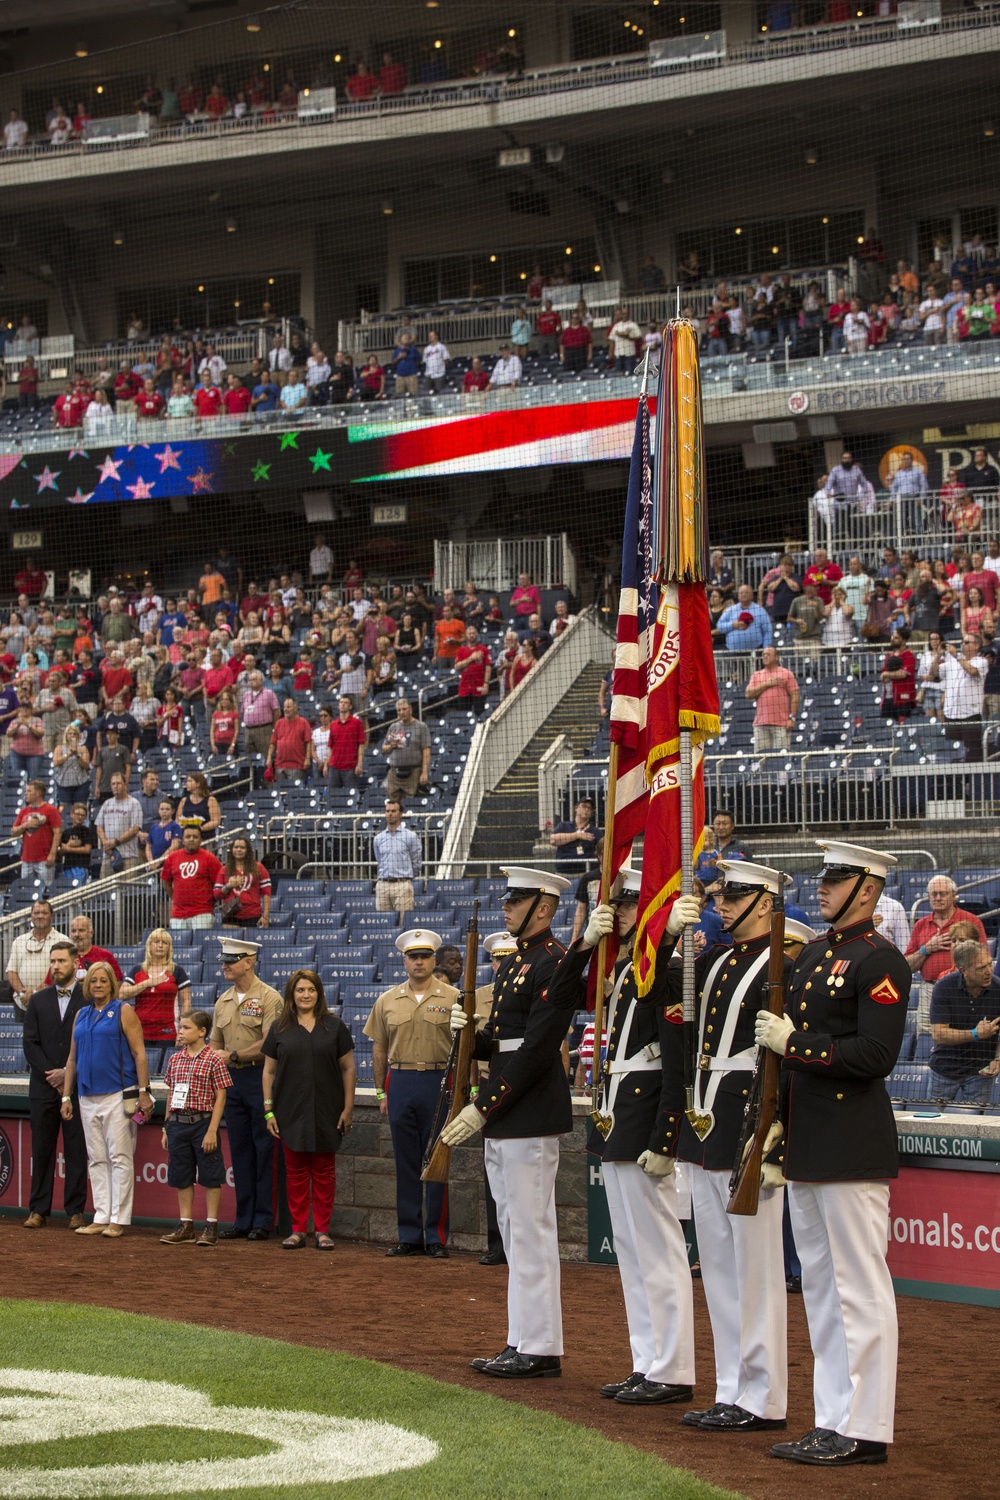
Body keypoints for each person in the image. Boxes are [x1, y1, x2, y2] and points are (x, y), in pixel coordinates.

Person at [758, 841, 911, 1467]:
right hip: (811, 1140)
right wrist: (778, 1125)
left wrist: (797, 1043)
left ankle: (867, 1427)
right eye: (822, 879)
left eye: (837, 880)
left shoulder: (882, 961)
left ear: (867, 890)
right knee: (820, 1287)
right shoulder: (816, 953)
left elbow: (876, 1058)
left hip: (851, 1139)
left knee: (860, 1287)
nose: (821, 888)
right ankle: (831, 1419)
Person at [547, 867, 697, 1405]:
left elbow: (677, 1065)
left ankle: (674, 1367)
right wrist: (585, 941)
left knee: (658, 1249)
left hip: (643, 1116)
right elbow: (559, 995)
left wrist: (666, 1137)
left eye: (631, 904)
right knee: (632, 1254)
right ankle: (647, 1360)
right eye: (617, 905)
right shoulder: (620, 968)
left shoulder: (667, 969)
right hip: (614, 1113)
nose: (622, 913)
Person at [658, 861, 789, 1433]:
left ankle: (763, 1397)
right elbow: (665, 1001)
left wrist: (776, 1128)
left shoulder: (785, 961)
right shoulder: (713, 959)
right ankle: (732, 1388)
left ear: (765, 901)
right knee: (717, 1268)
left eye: (733, 896)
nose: (720, 903)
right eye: (718, 895)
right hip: (705, 1121)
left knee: (755, 1270)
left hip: (746, 1124)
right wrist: (666, 940)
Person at [443, 866, 573, 1379]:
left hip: (528, 1108)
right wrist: (469, 1037)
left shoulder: (554, 962)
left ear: (543, 907)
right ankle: (522, 1337)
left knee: (531, 1229)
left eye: (516, 901)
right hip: (507, 1108)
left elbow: (539, 1049)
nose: (506, 907)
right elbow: (501, 1043)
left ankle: (540, 1346)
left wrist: (484, 1104)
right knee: (512, 1228)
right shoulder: (517, 961)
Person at [363, 929, 458, 1257]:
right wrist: (380, 1093)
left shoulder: (453, 997)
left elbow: (465, 1048)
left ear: (434, 960)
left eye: (425, 956)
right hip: (400, 1081)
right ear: (404, 961)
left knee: (436, 1160)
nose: (419, 962)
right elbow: (378, 1050)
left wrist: (462, 1092)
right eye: (413, 957)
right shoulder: (386, 1000)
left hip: (437, 1082)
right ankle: (409, 1235)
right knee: (405, 1163)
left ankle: (435, 1238)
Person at [262, 969, 356, 1251]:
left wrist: (348, 1108)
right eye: (300, 990)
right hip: (289, 1111)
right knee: (296, 1173)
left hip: (328, 1110)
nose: (306, 995)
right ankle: (298, 1230)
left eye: (311, 990)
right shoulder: (279, 1028)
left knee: (325, 1172)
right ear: (292, 993)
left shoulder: (334, 1026)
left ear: (319, 994)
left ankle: (323, 1231)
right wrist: (269, 1111)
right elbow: (268, 1072)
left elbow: (349, 1068)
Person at [60, 962, 153, 1239]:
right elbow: (71, 1060)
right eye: (92, 981)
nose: (97, 985)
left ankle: (118, 1219)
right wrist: (66, 1095)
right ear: (86, 986)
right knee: (97, 1159)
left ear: (111, 984)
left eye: (102, 981)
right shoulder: (81, 1014)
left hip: (117, 1093)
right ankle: (101, 1215)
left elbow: (140, 1054)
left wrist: (145, 1091)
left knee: (119, 1157)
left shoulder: (123, 1011)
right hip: (86, 1096)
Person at [210, 935, 282, 1240]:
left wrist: (234, 1055)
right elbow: (214, 1045)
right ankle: (243, 1220)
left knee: (264, 1150)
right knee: (239, 1151)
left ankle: (263, 1221)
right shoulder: (222, 1000)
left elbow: (268, 1044)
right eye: (225, 961)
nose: (226, 966)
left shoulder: (269, 997)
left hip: (259, 1077)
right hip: (231, 1081)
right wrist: (218, 1062)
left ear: (249, 962)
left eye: (232, 961)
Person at [21, 942, 89, 1230]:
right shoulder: (37, 1001)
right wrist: (54, 1073)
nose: (56, 966)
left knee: (76, 1149)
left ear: (75, 963)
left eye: (61, 960)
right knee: (42, 1149)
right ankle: (38, 1210)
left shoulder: (88, 1000)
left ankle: (75, 1211)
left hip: (76, 1088)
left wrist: (68, 1073)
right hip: (43, 1087)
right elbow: (29, 1044)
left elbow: (90, 1043)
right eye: (53, 961)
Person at [159, 1010, 233, 1247]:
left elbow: (220, 1096)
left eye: (187, 1027)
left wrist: (212, 1129)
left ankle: (211, 1225)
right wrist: (166, 1126)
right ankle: (186, 1224)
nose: (181, 1031)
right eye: (181, 1027)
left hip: (203, 1123)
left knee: (211, 1175)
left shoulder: (213, 1059)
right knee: (182, 1175)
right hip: (178, 1123)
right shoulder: (175, 1059)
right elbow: (171, 1093)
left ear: (202, 1032)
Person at [905, 875, 986, 1035]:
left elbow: (984, 957)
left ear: (954, 895)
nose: (938, 898)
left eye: (943, 894)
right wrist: (926, 949)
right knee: (927, 1037)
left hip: (962, 990)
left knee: (960, 1033)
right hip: (930, 989)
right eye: (933, 894)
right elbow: (906, 966)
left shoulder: (970, 920)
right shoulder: (921, 925)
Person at [926, 940, 1000, 1104]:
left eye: (990, 964)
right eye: (981, 968)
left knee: (976, 1124)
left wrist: (998, 1059)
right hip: (945, 1068)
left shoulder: (998, 989)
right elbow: (939, 1035)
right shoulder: (944, 987)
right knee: (935, 1122)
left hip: (980, 1072)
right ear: (963, 970)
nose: (988, 971)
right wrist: (975, 1034)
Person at [6, 900, 70, 1020]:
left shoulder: (63, 941)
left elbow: (65, 972)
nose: (40, 916)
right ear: (31, 916)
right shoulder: (19, 941)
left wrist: (35, 994)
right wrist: (23, 994)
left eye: (44, 913)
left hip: (52, 1003)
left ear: (52, 916)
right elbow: (11, 972)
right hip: (23, 1004)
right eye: (36, 913)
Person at [161, 826, 225, 930]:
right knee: (179, 946)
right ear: (182, 839)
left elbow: (219, 884)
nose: (191, 839)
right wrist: (177, 899)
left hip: (202, 914)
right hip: (178, 915)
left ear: (201, 840)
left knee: (201, 945)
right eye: (188, 836)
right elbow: (165, 882)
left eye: (195, 837)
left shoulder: (210, 858)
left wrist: (209, 902)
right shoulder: (172, 858)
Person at [745, 646, 799, 752]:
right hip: (761, 724)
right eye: (763, 654)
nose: (765, 656)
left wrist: (792, 718)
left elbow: (795, 695)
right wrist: (767, 684)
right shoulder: (757, 675)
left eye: (768, 654)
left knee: (780, 758)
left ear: (776, 657)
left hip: (781, 724)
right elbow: (748, 694)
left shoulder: (786, 673)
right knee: (761, 757)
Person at [373, 797, 422, 913]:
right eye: (387, 811)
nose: (390, 814)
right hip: (383, 885)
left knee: (403, 921)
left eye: (393, 811)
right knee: (383, 922)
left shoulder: (410, 837)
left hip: (402, 886)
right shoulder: (378, 839)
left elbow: (416, 862)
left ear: (401, 814)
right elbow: (379, 860)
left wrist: (406, 878)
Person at [13, 780, 62, 887]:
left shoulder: (51, 810)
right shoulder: (23, 811)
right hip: (26, 859)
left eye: (29, 791)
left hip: (44, 859)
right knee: (26, 890)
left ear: (38, 793)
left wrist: (52, 854)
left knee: (46, 889)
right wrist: (26, 825)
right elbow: (13, 832)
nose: (26, 794)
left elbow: (57, 833)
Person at [380, 698, 431, 800]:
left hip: (413, 772)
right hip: (394, 773)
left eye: (404, 709)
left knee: (410, 803)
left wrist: (424, 772)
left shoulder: (421, 726)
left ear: (411, 710)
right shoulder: (393, 727)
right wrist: (391, 746)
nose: (401, 712)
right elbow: (383, 748)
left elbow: (426, 750)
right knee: (392, 804)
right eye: (399, 710)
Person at [215, 834, 271, 928]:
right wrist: (228, 886)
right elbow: (216, 895)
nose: (239, 850)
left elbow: (267, 893)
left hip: (252, 916)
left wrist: (265, 916)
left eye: (242, 847)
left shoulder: (259, 868)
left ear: (247, 850)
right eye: (236, 847)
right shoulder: (224, 870)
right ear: (232, 850)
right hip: (231, 916)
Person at [94, 772, 143, 878]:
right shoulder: (107, 804)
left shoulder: (134, 803)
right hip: (108, 856)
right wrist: (106, 844)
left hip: (128, 857)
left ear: (125, 785)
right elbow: (99, 826)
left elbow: (135, 829)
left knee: (128, 891)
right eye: (113, 784)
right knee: (105, 890)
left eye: (119, 783)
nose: (116, 786)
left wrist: (116, 842)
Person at [548, 797, 602, 876]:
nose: (586, 810)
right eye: (584, 806)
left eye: (589, 808)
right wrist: (576, 835)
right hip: (563, 873)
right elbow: (553, 840)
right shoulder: (564, 826)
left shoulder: (595, 832)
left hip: (585, 874)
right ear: (576, 808)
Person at [175, 771, 221, 839]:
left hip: (205, 837)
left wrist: (200, 828)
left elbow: (215, 821)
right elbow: (177, 820)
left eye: (190, 781)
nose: (186, 783)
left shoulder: (211, 800)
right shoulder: (183, 800)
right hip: (186, 838)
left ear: (198, 783)